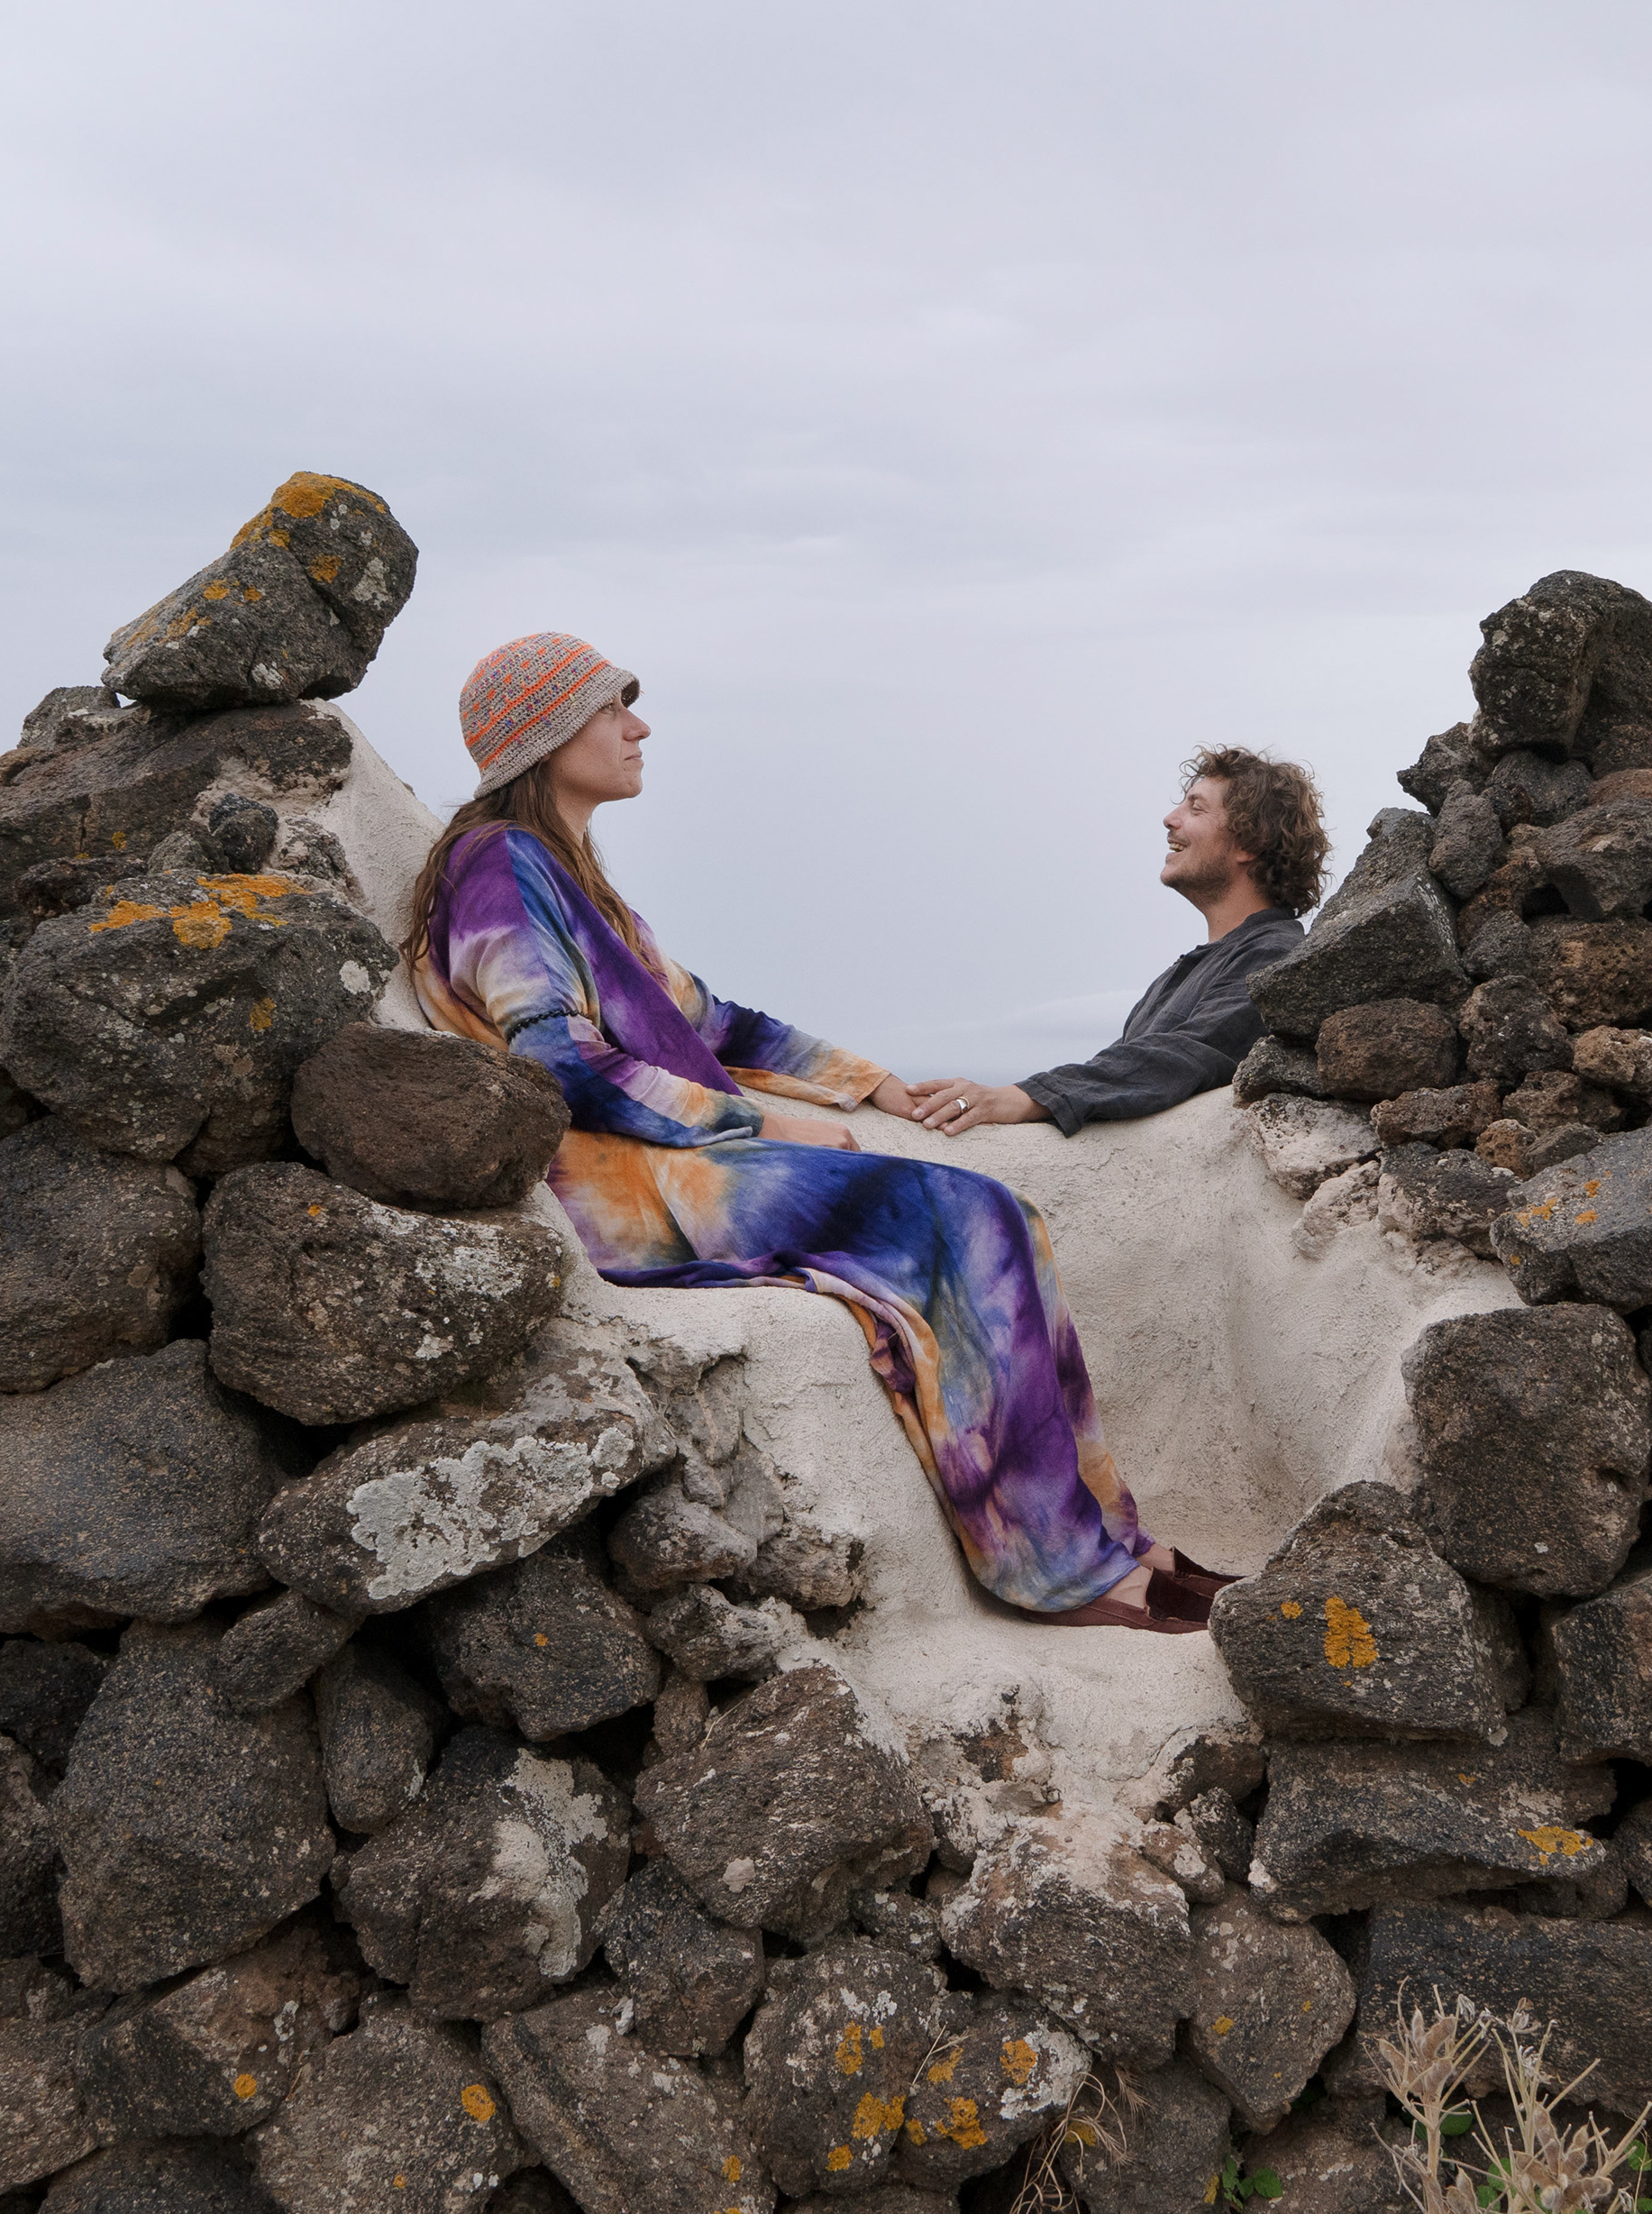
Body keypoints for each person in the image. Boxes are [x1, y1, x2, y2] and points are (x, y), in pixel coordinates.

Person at [403, 633, 1236, 1633]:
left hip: (677, 1160)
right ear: (542, 737)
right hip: (629, 1191)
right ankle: (1049, 1562)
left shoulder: (575, 877)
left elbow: (710, 1021)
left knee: (1005, 1212)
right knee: (956, 1215)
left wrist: (866, 1080)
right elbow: (561, 1065)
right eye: (608, 709)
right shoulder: (498, 862)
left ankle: (1104, 1531)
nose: (639, 727)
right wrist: (761, 1118)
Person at [903, 747, 1323, 1138]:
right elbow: (1117, 1070)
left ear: (1250, 842)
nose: (1169, 818)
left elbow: (1186, 1056)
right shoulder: (1180, 975)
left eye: (1195, 807)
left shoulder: (1276, 958)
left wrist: (1023, 1096)